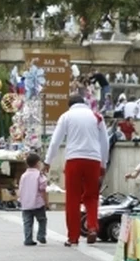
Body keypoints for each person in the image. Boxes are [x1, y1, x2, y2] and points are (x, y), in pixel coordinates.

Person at [44, 95, 109, 246]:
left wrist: (48, 161)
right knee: (92, 196)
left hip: (74, 159)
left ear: (70, 105)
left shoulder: (66, 116)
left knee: (72, 198)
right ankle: (92, 226)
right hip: (93, 159)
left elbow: (55, 141)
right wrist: (103, 164)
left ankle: (73, 236)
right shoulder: (97, 117)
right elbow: (104, 141)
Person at [18, 153, 48, 246]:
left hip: (26, 203)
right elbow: (43, 190)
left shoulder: (23, 175)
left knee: (27, 222)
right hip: (38, 203)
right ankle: (41, 235)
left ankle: (28, 239)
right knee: (42, 220)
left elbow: (21, 188)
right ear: (38, 163)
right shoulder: (39, 175)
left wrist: (20, 199)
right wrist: (46, 201)